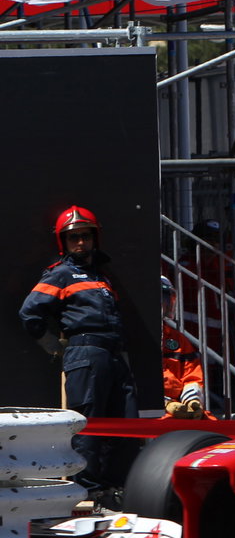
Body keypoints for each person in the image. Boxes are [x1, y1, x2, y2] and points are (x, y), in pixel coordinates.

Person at [19, 206, 138, 506]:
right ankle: (86, 492)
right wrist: (52, 345)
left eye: (85, 236)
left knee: (126, 423)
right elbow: (29, 312)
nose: (80, 243)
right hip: (86, 353)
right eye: (73, 238)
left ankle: (115, 489)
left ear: (94, 237)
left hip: (114, 354)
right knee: (89, 425)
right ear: (64, 243)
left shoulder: (103, 277)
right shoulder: (60, 274)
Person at [159, 275, 205, 417]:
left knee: (210, 426)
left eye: (164, 300)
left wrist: (192, 401)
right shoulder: (128, 337)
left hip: (180, 406)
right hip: (152, 410)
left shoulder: (177, 339)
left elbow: (192, 374)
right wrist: (165, 403)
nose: (161, 305)